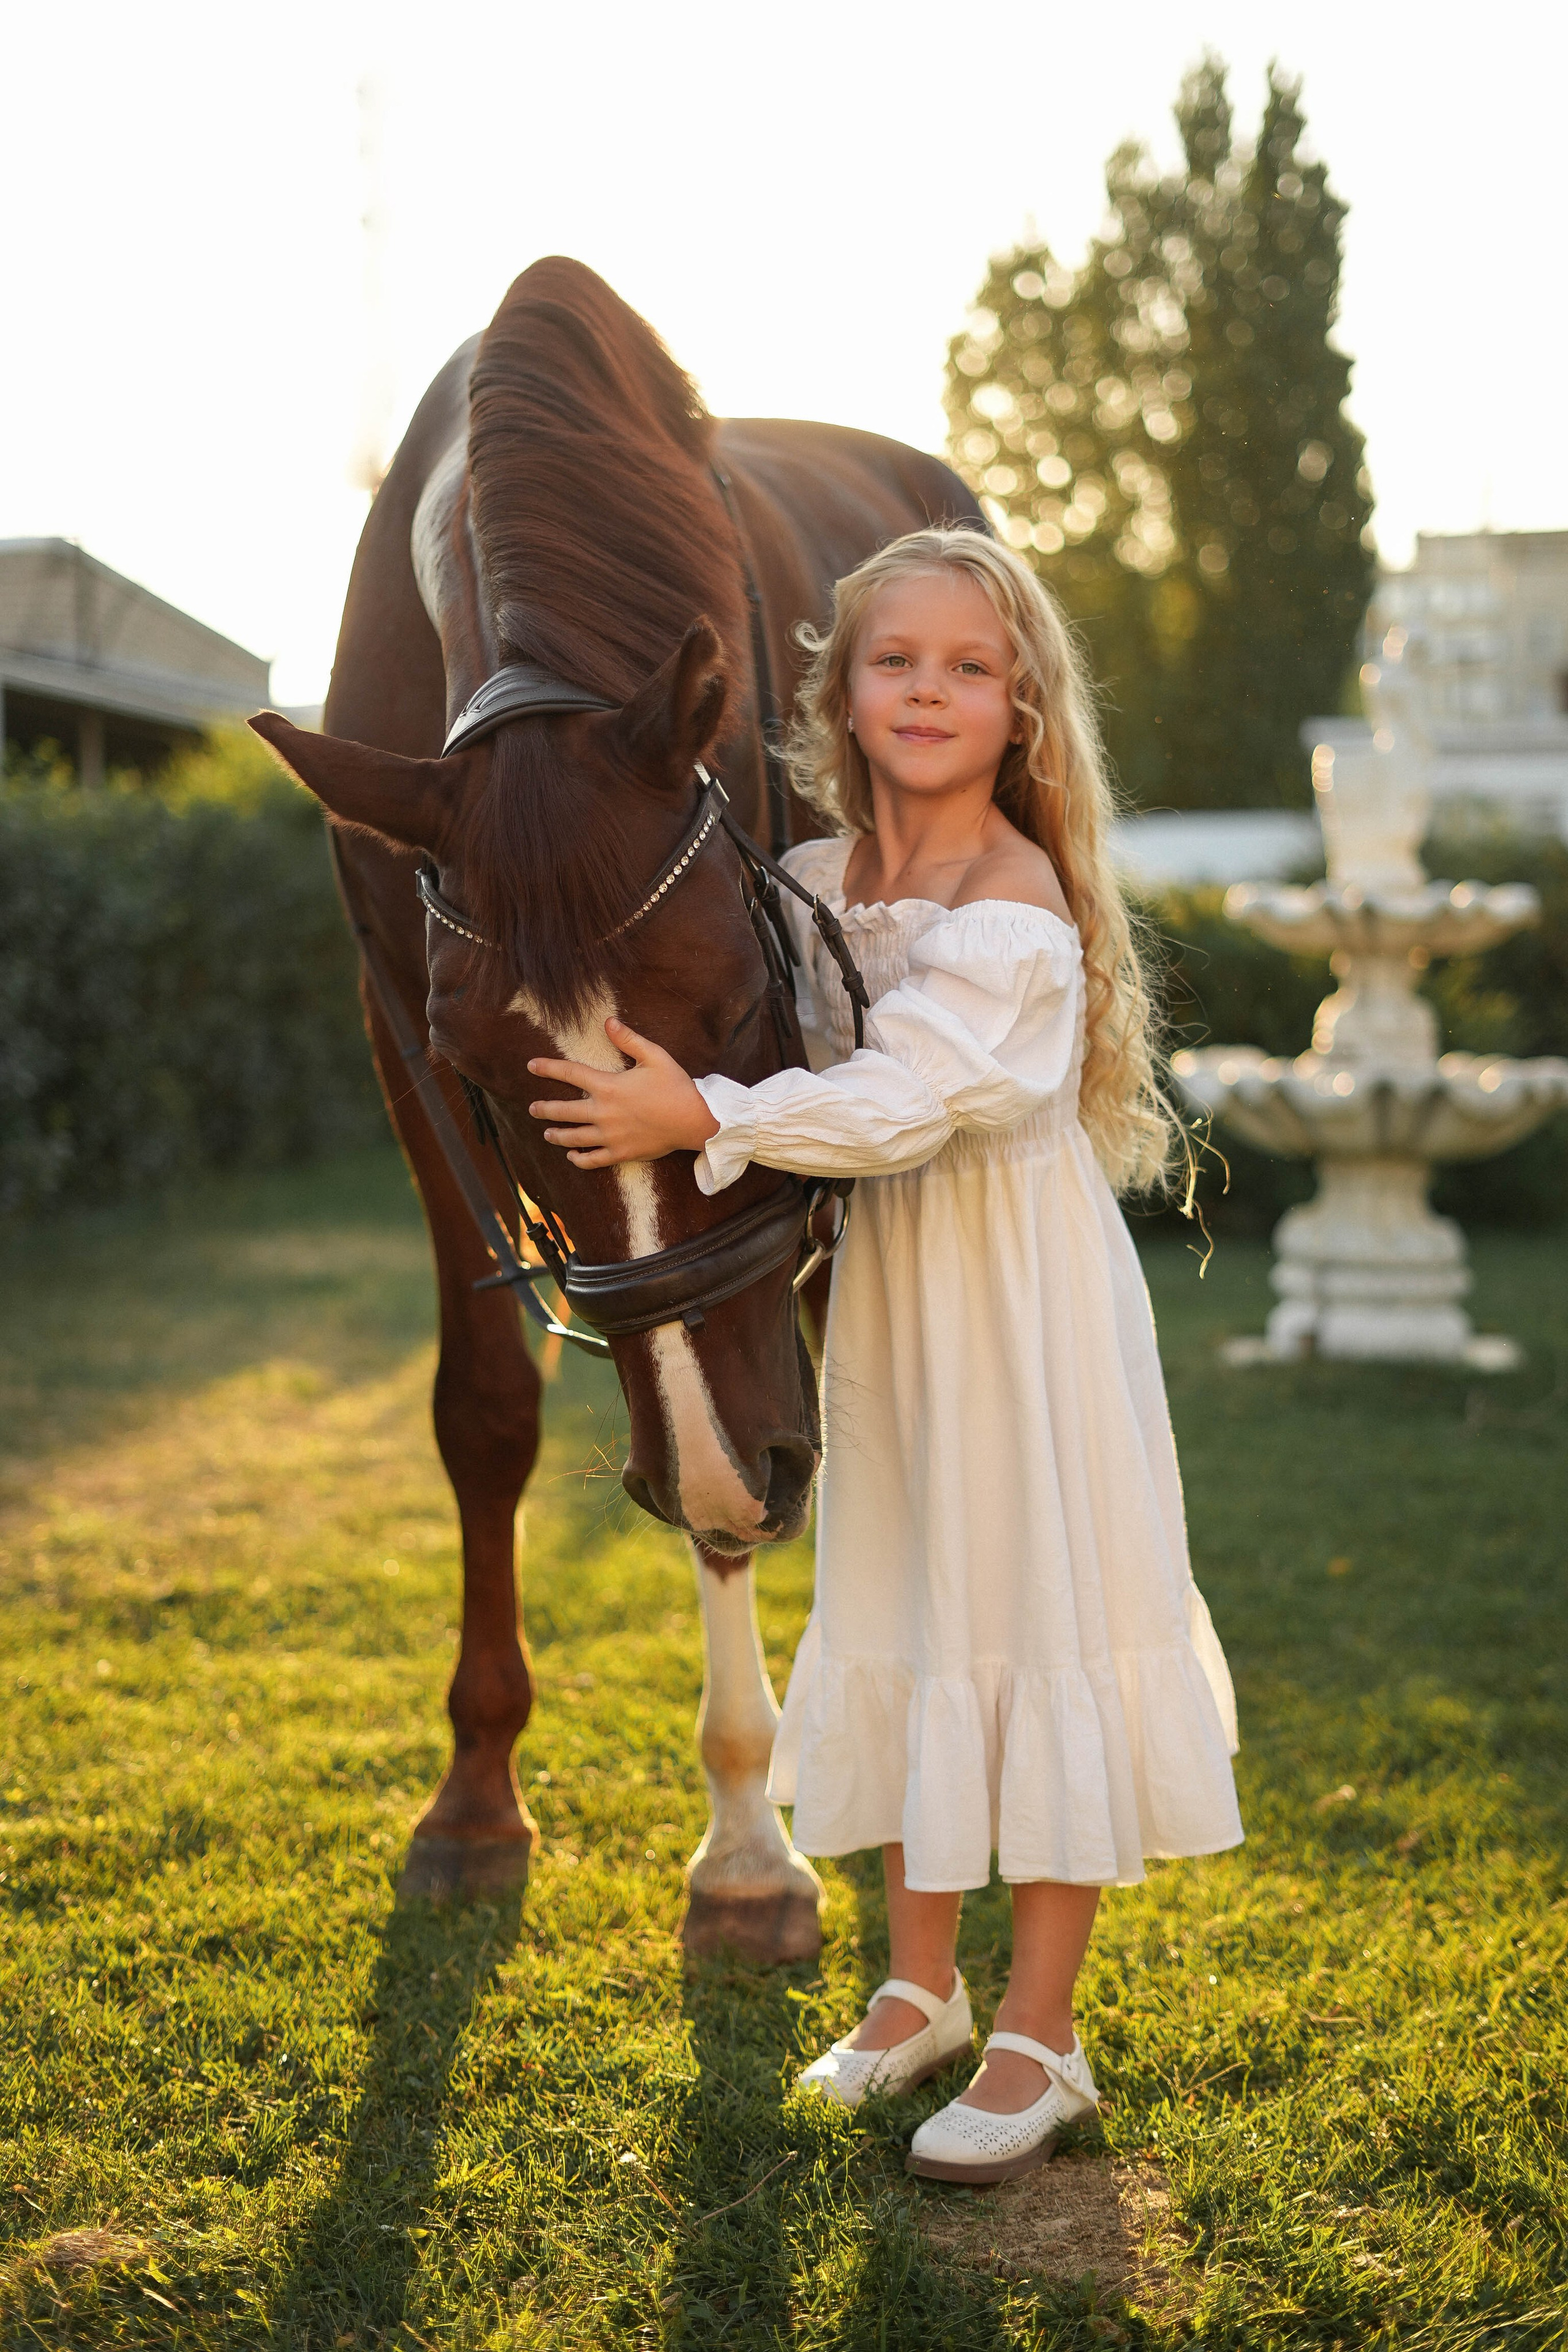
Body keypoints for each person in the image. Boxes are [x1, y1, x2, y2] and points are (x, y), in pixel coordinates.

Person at [527, 529, 1243, 2184]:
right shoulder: (806, 880)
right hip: (890, 1301)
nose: (929, 689)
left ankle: (1042, 2034)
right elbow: (738, 1012)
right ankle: (919, 1988)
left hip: (1018, 1302)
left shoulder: (1016, 901)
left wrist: (699, 1114)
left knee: (1038, 1612)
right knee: (911, 1602)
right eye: (896, 659)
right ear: (840, 690)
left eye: (970, 667)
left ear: (1022, 709)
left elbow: (905, 1099)